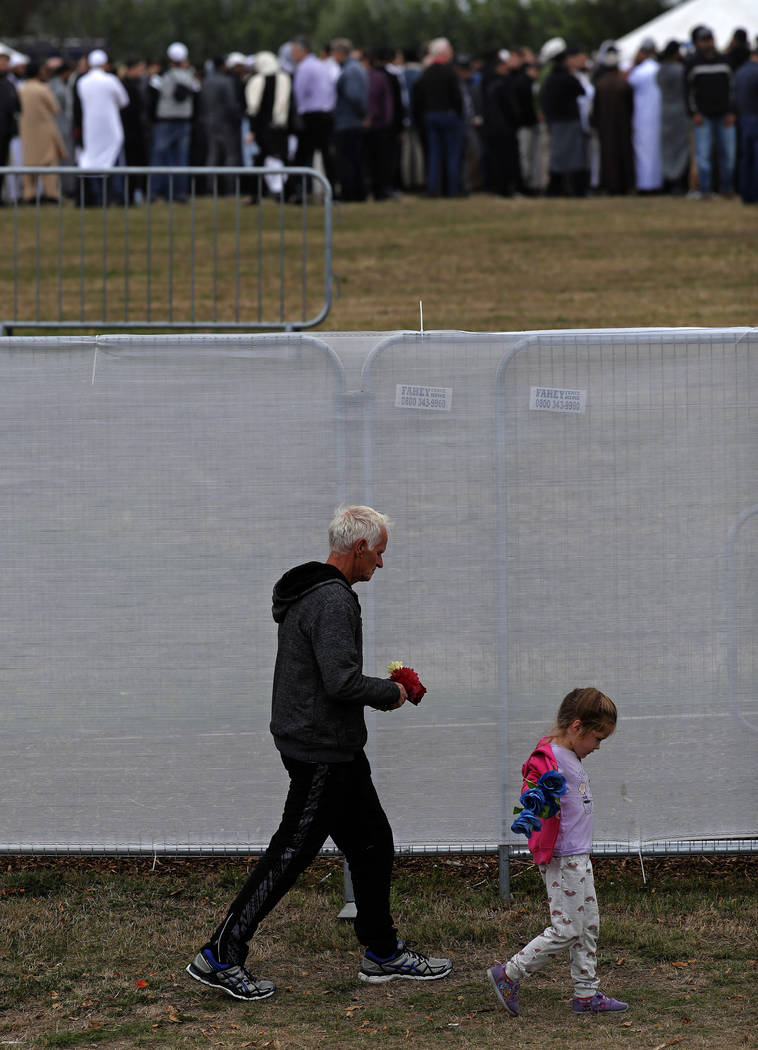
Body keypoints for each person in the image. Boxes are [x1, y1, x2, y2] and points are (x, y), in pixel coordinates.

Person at [187, 506, 452, 1001]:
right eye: (379, 553)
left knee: (373, 841)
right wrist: (391, 692)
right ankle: (220, 954)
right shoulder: (333, 600)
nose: (381, 564)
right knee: (290, 853)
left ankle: (382, 952)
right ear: (359, 549)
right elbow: (340, 680)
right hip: (321, 752)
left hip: (332, 747)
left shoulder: (310, 591)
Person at [487, 686, 628, 1017]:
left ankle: (586, 994)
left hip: (579, 857)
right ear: (577, 727)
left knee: (588, 925)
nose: (597, 746)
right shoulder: (549, 758)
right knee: (567, 929)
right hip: (565, 859)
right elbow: (531, 787)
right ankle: (508, 974)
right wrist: (535, 801)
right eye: (597, 738)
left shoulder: (572, 755)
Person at [685, 26, 736, 198]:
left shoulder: (724, 61)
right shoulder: (693, 63)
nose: (707, 43)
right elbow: (687, 91)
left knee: (727, 155)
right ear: (698, 43)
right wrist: (694, 113)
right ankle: (705, 190)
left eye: (709, 39)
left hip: (724, 115)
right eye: (704, 40)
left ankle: (727, 188)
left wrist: (731, 111)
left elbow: (732, 89)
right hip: (703, 116)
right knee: (703, 156)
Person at [75, 50, 129, 206]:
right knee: (114, 161)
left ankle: (96, 197)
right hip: (110, 127)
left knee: (92, 161)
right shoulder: (110, 80)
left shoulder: (82, 81)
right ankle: (118, 197)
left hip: (91, 128)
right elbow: (124, 101)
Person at [148, 42, 201, 202]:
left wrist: (152, 118)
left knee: (159, 156)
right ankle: (180, 193)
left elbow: (152, 97)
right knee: (181, 158)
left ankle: (154, 192)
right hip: (184, 120)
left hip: (164, 120)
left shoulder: (162, 76)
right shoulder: (190, 76)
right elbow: (198, 94)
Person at [412, 37, 464, 197]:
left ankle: (433, 188)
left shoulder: (425, 74)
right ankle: (453, 189)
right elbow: (457, 97)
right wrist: (459, 114)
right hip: (448, 115)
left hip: (430, 116)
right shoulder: (450, 73)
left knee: (434, 154)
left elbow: (417, 97)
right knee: (452, 154)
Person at [289, 35, 337, 199]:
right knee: (326, 155)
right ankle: (332, 191)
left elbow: (299, 93)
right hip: (326, 114)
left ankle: (292, 190)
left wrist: (299, 115)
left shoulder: (305, 67)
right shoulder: (321, 65)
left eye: (294, 51)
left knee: (301, 156)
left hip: (311, 116)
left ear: (303, 51)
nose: (292, 55)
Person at [539, 41, 586, 196]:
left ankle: (558, 188)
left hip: (556, 121)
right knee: (572, 157)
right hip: (568, 121)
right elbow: (581, 90)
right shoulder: (566, 77)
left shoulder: (550, 79)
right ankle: (573, 188)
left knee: (558, 155)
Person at [18, 59, 66, 204]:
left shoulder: (21, 89)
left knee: (29, 163)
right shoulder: (43, 89)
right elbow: (55, 108)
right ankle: (51, 193)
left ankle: (29, 193)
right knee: (49, 163)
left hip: (26, 131)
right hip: (45, 130)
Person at [591, 45, 634, 195]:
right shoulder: (624, 84)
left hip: (606, 127)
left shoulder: (600, 84)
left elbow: (595, 110)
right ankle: (625, 184)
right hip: (622, 126)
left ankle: (610, 185)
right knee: (623, 153)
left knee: (608, 155)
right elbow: (630, 107)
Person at [331, 38, 368, 202]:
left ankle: (351, 193)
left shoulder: (350, 70)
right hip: (352, 121)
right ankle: (357, 192)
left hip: (348, 122)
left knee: (348, 160)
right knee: (354, 159)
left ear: (340, 53)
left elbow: (355, 96)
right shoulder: (354, 68)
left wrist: (361, 114)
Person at [628, 39, 662, 193]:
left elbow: (629, 84)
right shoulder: (659, 69)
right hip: (657, 116)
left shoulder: (639, 72)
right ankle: (657, 183)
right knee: (656, 151)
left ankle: (645, 185)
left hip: (642, 117)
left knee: (643, 152)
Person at [656, 41, 690, 194]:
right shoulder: (680, 70)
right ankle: (677, 180)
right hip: (679, 111)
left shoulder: (660, 70)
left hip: (665, 111)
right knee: (681, 147)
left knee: (667, 147)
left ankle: (668, 178)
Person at [734, 41, 758, 203]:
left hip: (743, 118)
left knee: (745, 158)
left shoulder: (740, 72)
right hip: (756, 118)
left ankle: (745, 193)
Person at [0, 45, 21, 204]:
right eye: (2, 62)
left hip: (5, 132)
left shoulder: (9, 83)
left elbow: (17, 106)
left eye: (6, 62)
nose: (5, 66)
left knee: (4, 164)